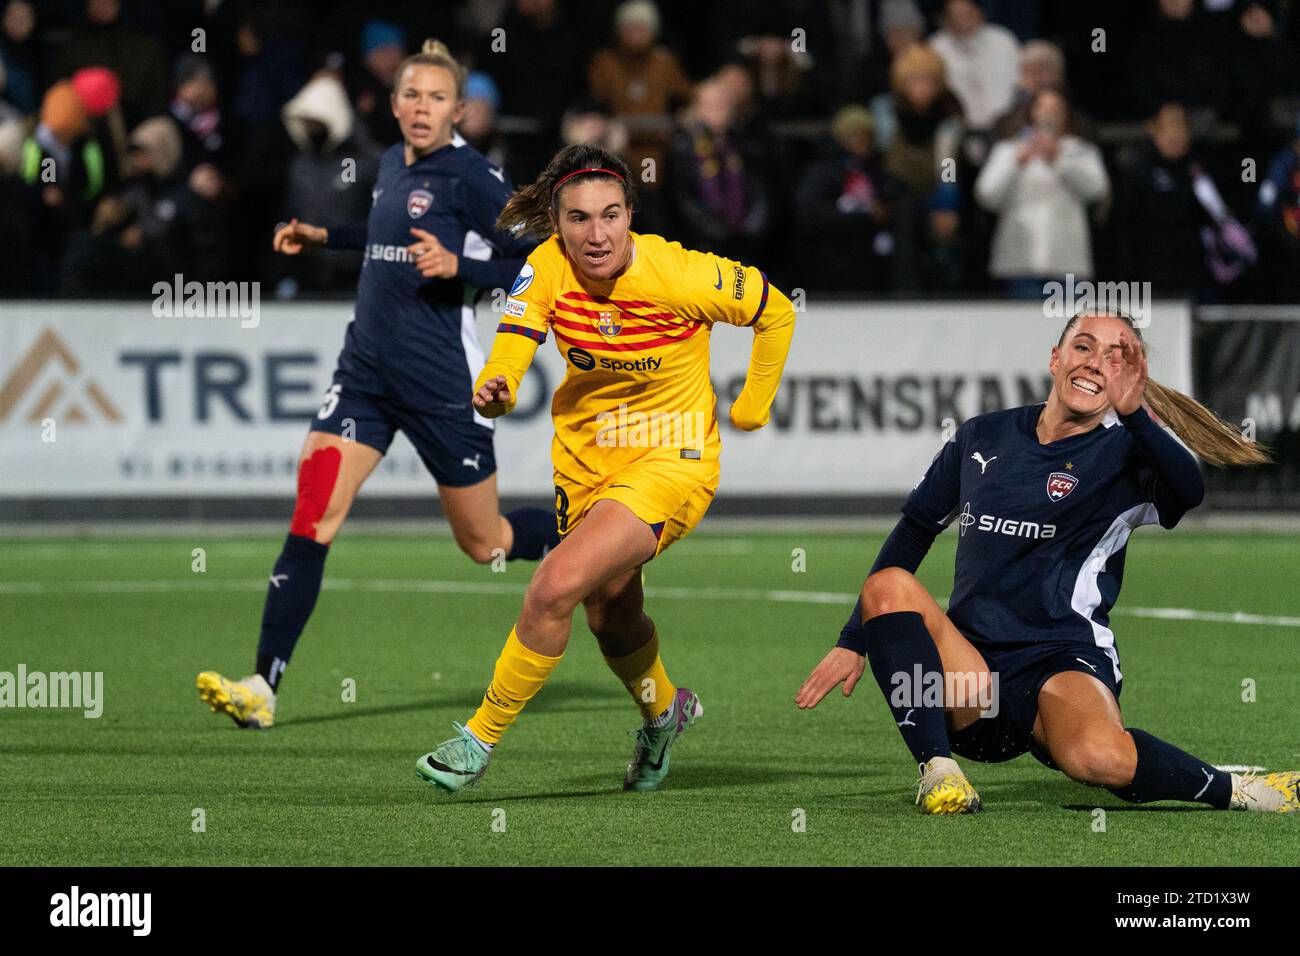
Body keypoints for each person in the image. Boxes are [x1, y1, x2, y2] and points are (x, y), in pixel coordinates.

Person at [796, 310, 1299, 815]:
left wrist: (1135, 417)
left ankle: (1241, 790)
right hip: (973, 676)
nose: (1095, 364)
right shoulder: (982, 437)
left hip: (1063, 660)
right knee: (887, 585)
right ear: (1056, 358)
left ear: (1130, 377)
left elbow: (1188, 490)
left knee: (1097, 758)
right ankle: (939, 773)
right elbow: (914, 530)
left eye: (1114, 356)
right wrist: (853, 639)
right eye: (1083, 347)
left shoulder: (1129, 451)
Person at [196, 40, 559, 729]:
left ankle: (580, 532)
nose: (422, 108)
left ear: (460, 108)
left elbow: (540, 263)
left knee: (486, 545)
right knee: (313, 514)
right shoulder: (394, 162)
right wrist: (325, 236)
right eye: (411, 96)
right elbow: (387, 233)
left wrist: (460, 266)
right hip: (364, 374)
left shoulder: (475, 179)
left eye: (437, 98)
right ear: (394, 105)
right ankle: (262, 687)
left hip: (442, 384)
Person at [414, 143, 795, 793]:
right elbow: (515, 336)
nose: (597, 234)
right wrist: (500, 383)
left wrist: (753, 405)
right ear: (558, 225)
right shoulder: (546, 266)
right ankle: (663, 712)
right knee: (608, 614)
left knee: (552, 586)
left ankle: (477, 739)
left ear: (631, 215)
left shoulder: (680, 273)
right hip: (585, 467)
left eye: (611, 216)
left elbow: (775, 310)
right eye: (580, 219)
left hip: (673, 462)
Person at [975, 88, 1109, 297]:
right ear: (1032, 112)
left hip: (1068, 266)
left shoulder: (1080, 150)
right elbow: (987, 196)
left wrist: (1058, 159)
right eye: (1043, 108)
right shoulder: (1008, 150)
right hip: (1019, 265)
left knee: (1066, 328)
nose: (1049, 114)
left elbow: (1096, 189)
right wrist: (1016, 163)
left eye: (1056, 109)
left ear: (1065, 115)